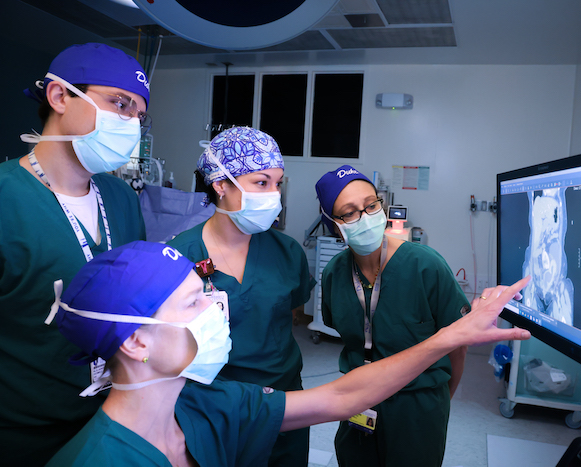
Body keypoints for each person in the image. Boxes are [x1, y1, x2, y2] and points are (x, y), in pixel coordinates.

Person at [45, 240, 531, 466]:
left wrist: (452, 336)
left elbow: (343, 397)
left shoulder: (209, 405)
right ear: (136, 340)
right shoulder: (99, 459)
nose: (217, 309)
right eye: (195, 302)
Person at [0, 43, 149, 465]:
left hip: (107, 421)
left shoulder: (120, 199)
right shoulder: (7, 200)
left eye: (138, 114)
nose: (130, 124)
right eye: (119, 104)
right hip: (20, 434)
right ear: (60, 96)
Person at [168, 127, 315, 466]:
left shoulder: (287, 251)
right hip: (212, 401)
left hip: (283, 399)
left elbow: (291, 312)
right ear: (220, 184)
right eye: (261, 183)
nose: (274, 195)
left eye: (279, 184)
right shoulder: (180, 255)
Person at [315, 165, 472, 467]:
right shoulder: (335, 273)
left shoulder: (425, 266)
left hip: (416, 406)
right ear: (334, 224)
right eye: (349, 212)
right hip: (358, 401)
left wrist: (435, 403)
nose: (365, 217)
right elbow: (346, 335)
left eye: (371, 205)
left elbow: (457, 345)